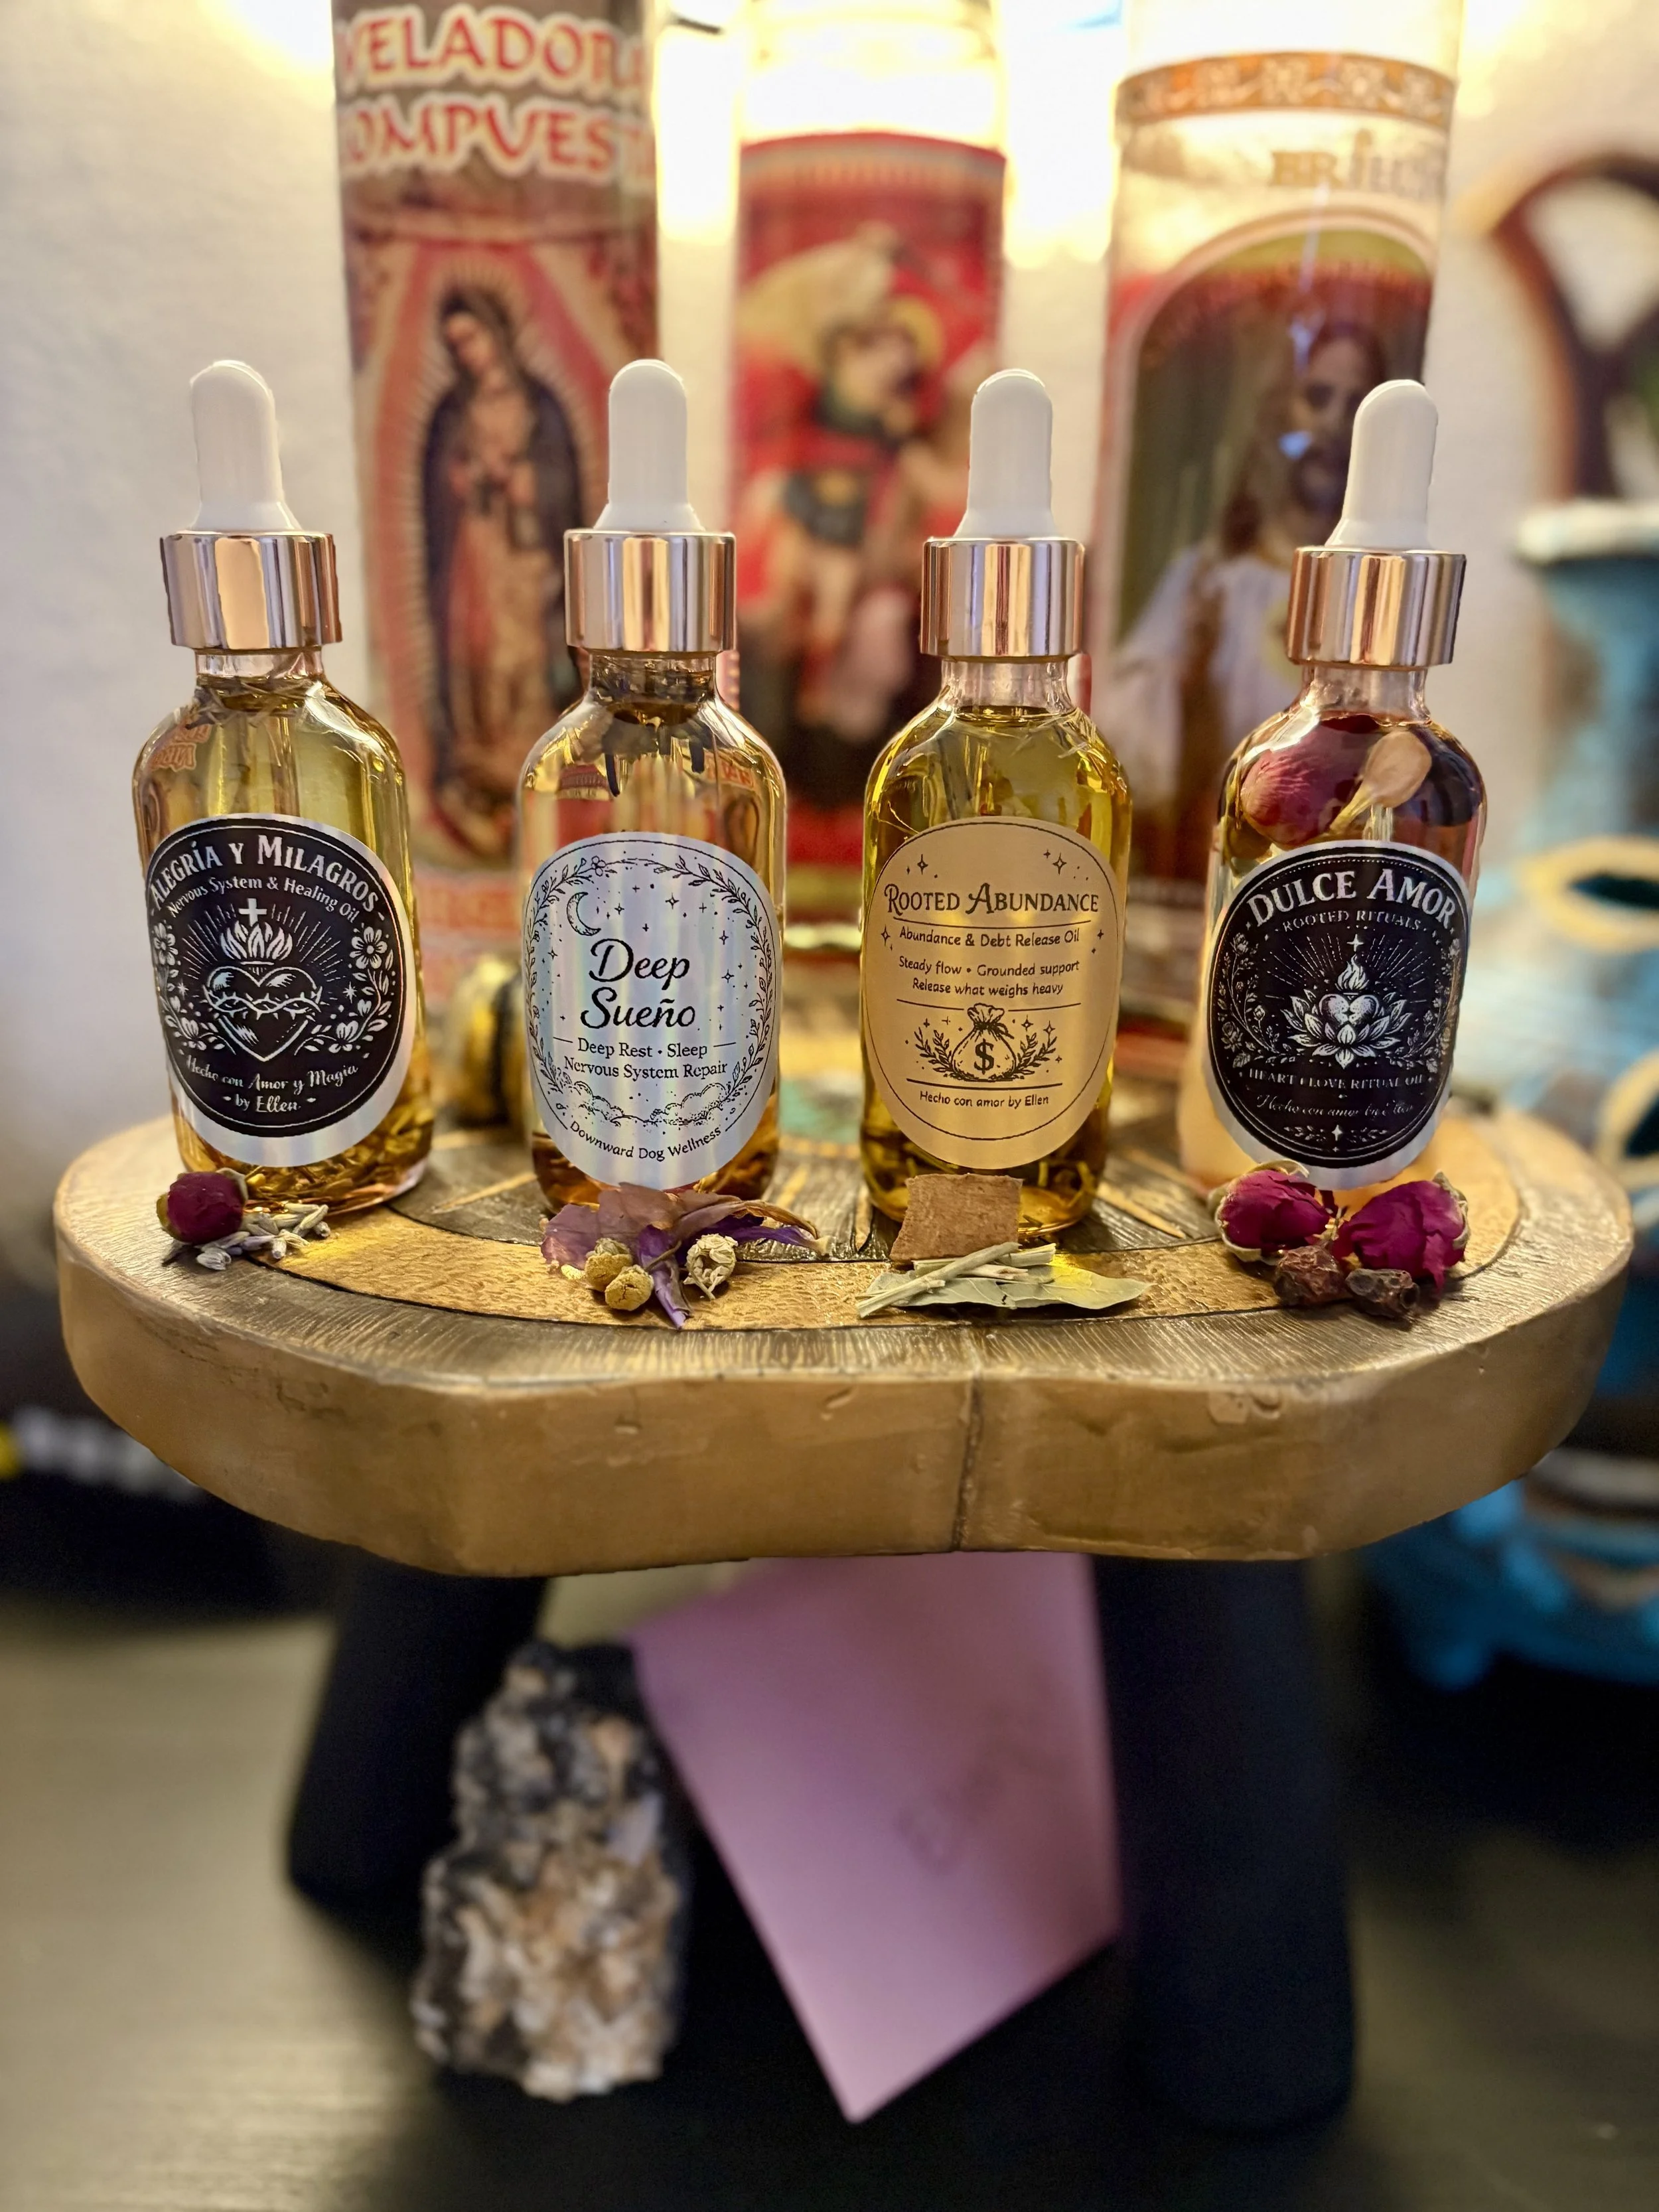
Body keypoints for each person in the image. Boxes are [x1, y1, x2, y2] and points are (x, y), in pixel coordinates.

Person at [1103, 317, 1388, 885]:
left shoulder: (1380, 598)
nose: (1335, 423)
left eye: (1357, 405)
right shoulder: (1211, 580)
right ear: (1281, 410)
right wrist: (1188, 685)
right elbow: (1136, 750)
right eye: (1318, 397)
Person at [422, 288, 583, 860]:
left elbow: (561, 488)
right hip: (473, 555)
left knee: (523, 656)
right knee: (476, 650)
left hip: (525, 557)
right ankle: (480, 774)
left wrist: (525, 483)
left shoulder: (539, 407)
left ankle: (525, 765)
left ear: (496, 332)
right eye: (454, 344)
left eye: (471, 337)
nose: (465, 352)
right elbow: (437, 491)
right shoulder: (452, 412)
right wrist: (465, 477)